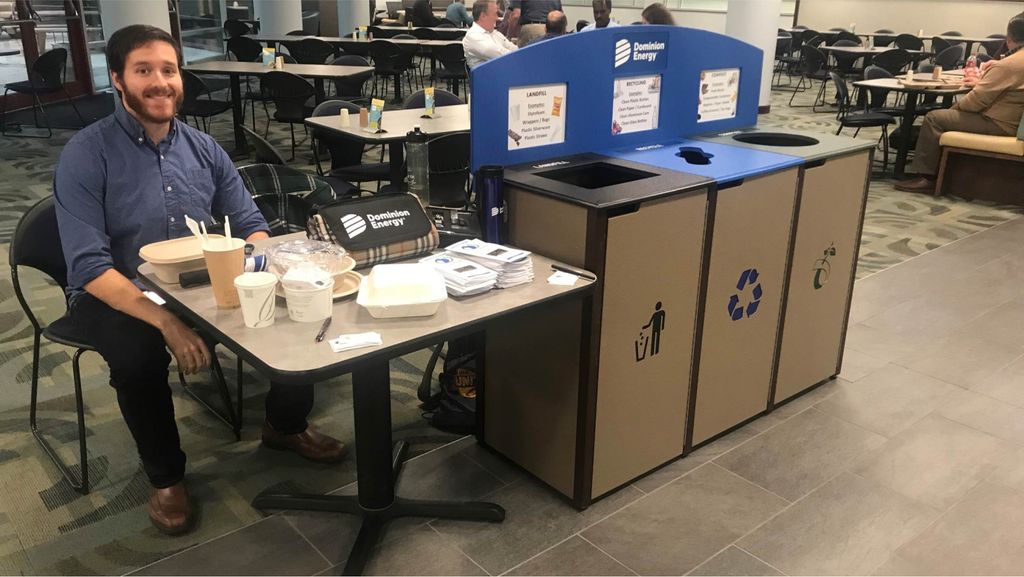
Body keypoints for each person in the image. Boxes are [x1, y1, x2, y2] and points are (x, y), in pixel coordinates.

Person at [53, 25, 348, 536]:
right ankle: (166, 477)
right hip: (114, 291)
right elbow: (88, 267)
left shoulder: (203, 148)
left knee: (297, 304)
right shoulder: (87, 153)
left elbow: (251, 226)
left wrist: (261, 275)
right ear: (118, 80)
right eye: (143, 70)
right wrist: (168, 322)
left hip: (197, 279)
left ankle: (285, 424)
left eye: (168, 70)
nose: (160, 82)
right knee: (138, 354)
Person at [896, 16, 1024, 193]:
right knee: (944, 117)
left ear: (1009, 38)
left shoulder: (1009, 65)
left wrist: (953, 109)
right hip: (1014, 122)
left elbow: (976, 102)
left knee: (935, 118)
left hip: (1000, 123)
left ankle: (927, 178)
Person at [463, 0, 518, 68]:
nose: (497, 18)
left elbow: (514, 49)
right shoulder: (473, 36)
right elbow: (502, 56)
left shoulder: (495, 33)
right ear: (483, 16)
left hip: (503, 74)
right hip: (488, 77)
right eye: (495, 14)